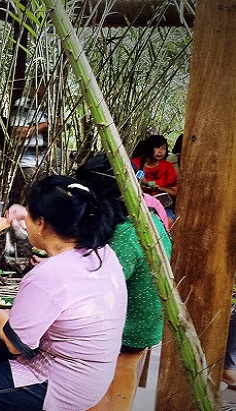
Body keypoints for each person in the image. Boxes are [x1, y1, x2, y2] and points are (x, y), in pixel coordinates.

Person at [0, 175, 127, 411]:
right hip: (95, 374)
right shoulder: (101, 252)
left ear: (42, 223)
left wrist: (1, 315)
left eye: (30, 216)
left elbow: (17, 346)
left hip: (62, 384)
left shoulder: (49, 275)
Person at [75, 153, 172, 410]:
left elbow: (100, 283)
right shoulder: (147, 217)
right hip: (148, 320)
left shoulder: (127, 235)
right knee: (125, 367)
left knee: (101, 371)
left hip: (130, 325)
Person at [7, 82, 49, 205]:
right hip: (26, 164)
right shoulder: (22, 104)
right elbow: (19, 132)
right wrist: (45, 125)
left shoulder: (40, 107)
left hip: (38, 163)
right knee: (27, 200)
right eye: (44, 87)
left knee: (32, 200)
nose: (45, 92)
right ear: (35, 87)